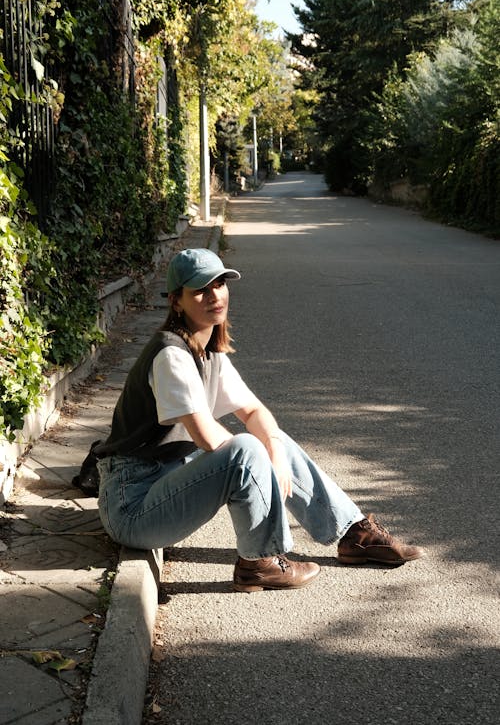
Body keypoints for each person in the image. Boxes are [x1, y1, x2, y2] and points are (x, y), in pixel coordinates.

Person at [96, 248, 424, 592]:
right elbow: (208, 438)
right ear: (177, 302)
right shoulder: (171, 356)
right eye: (200, 290)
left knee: (269, 439)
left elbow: (254, 412)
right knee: (246, 448)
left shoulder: (207, 351)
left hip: (166, 478)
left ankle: (352, 532)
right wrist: (260, 460)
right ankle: (260, 562)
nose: (214, 296)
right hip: (133, 508)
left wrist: (276, 454)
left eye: (220, 284)